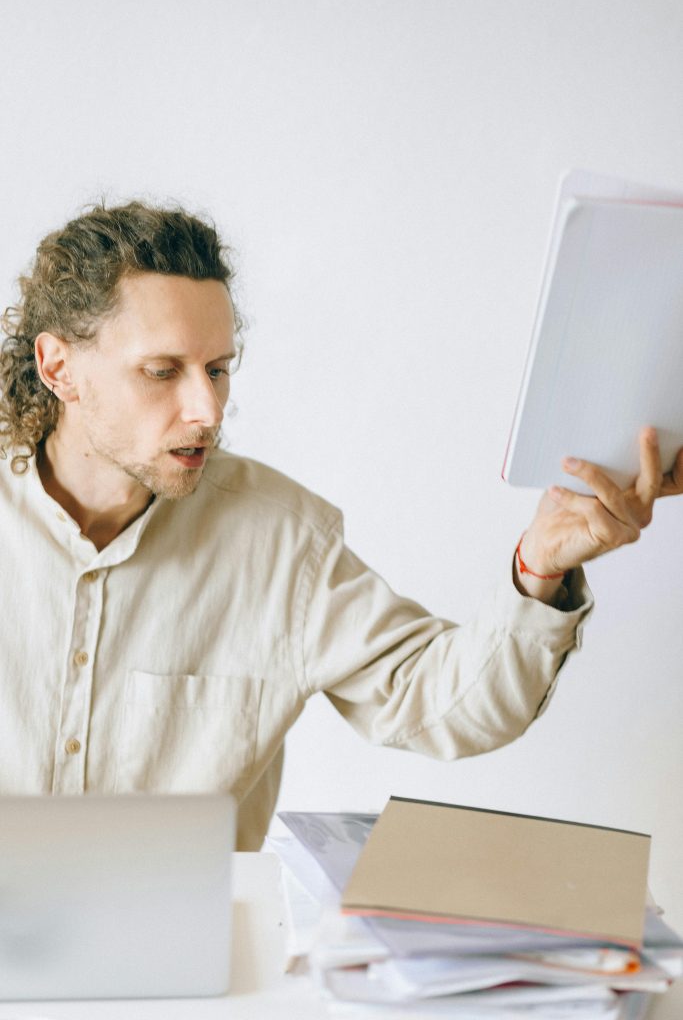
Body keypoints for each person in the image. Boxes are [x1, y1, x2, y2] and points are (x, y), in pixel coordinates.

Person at [0, 201, 680, 850]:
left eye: (216, 370)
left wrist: (539, 566)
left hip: (188, 964)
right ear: (59, 367)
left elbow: (443, 706)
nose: (207, 408)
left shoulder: (278, 539)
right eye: (162, 371)